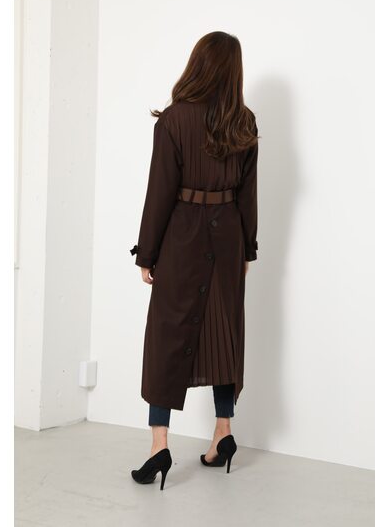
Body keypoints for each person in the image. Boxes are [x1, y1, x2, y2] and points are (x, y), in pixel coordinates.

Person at [130, 31, 259, 490]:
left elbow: (160, 192)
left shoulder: (174, 120)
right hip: (228, 239)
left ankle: (159, 446)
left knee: (167, 334)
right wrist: (246, 249)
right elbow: (248, 196)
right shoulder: (244, 121)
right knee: (225, 334)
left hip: (183, 238)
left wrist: (147, 253)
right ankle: (223, 433)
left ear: (197, 64)